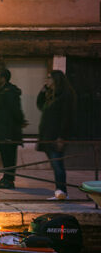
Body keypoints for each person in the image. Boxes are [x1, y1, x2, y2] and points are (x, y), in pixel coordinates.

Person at [37, 70, 76, 201]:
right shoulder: (51, 95)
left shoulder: (65, 95)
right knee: (56, 164)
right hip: (47, 135)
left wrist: (61, 137)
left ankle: (62, 191)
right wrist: (43, 90)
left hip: (55, 136)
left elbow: (67, 118)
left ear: (56, 79)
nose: (47, 80)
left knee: (57, 164)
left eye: (49, 78)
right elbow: (40, 105)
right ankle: (60, 191)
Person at [0, 68, 25, 189]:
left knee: (9, 155)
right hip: (2, 129)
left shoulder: (9, 92)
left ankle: (9, 180)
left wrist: (20, 121)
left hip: (9, 130)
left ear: (3, 79)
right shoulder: (1, 91)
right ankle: (6, 177)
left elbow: (15, 110)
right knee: (5, 155)